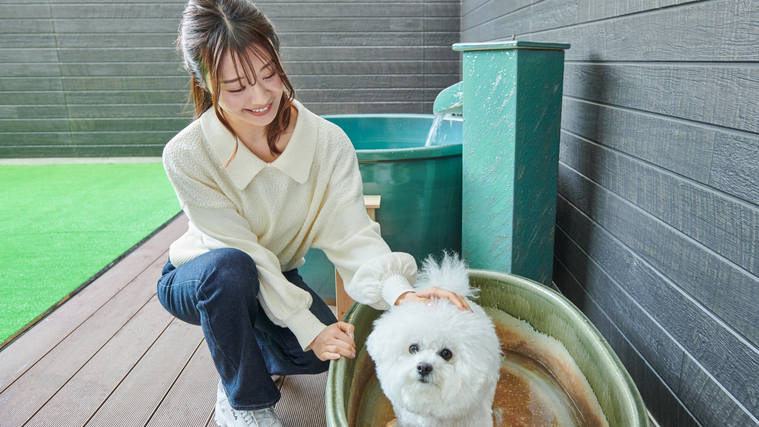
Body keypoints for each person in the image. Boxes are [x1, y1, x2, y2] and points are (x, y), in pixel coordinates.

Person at [157, 1, 470, 426]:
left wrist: (401, 292)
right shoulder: (186, 154)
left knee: (328, 356)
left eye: (268, 73)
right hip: (202, 275)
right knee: (233, 270)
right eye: (236, 86)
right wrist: (306, 328)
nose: (260, 96)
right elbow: (241, 250)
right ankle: (244, 401)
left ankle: (245, 354)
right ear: (206, 83)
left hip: (277, 275)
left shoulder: (326, 142)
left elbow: (352, 235)